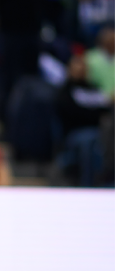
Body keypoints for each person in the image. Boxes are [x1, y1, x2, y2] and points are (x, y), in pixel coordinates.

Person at [56, 54, 111, 186]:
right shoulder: (65, 90)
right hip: (73, 134)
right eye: (76, 67)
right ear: (70, 70)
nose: (80, 70)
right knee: (89, 141)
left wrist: (88, 111)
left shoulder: (93, 88)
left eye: (83, 67)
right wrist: (92, 112)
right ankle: (88, 185)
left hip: (98, 132)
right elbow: (72, 113)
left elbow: (105, 109)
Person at [87, 24, 115, 96]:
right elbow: (89, 81)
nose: (112, 42)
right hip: (96, 97)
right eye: (110, 40)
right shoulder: (90, 58)